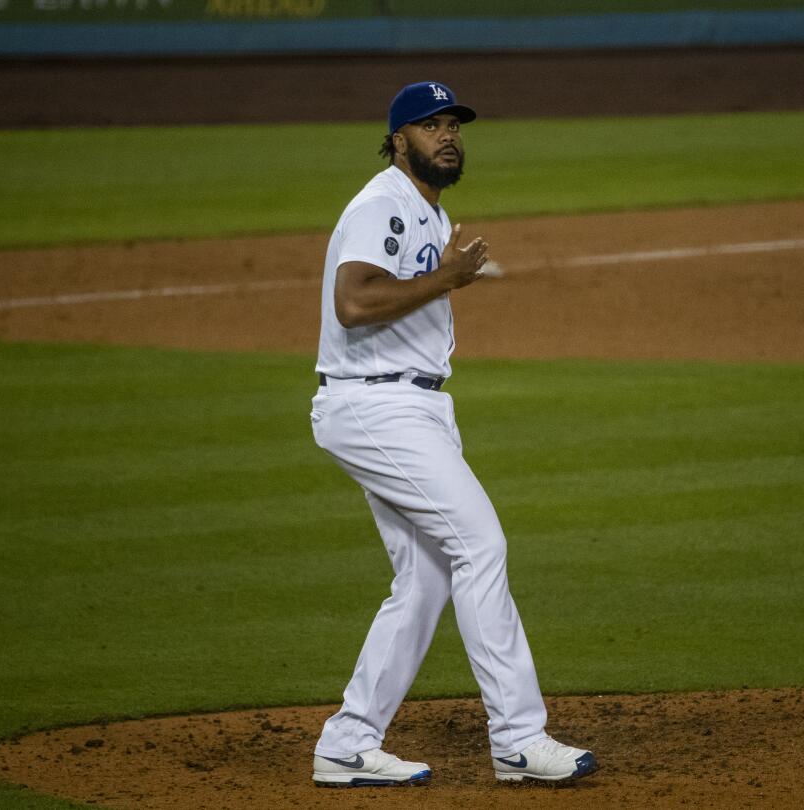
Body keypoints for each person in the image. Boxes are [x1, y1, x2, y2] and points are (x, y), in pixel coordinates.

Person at [308, 81, 599, 788]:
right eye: (429, 125)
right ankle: (519, 738)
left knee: (427, 576)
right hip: (376, 408)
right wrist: (444, 279)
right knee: (479, 544)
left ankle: (347, 743)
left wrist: (444, 274)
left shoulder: (429, 213)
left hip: (407, 409)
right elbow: (352, 301)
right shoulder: (385, 204)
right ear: (398, 138)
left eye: (454, 125)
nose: (446, 135)